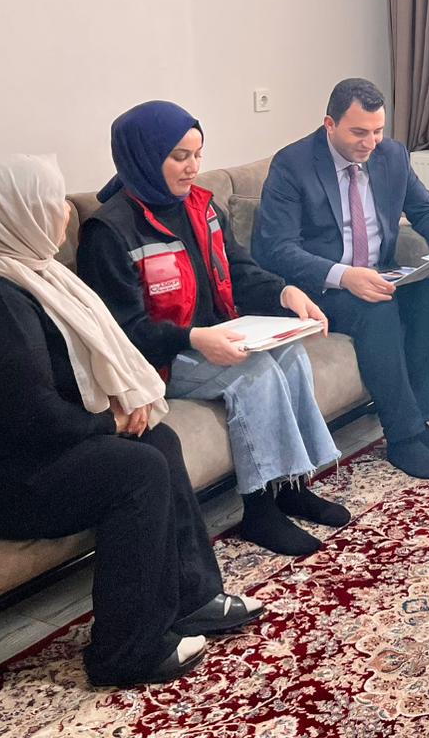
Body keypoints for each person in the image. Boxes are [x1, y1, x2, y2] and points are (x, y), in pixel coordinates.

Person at [0, 156, 264, 689]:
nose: (66, 211)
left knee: (158, 438)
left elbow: (58, 375)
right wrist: (111, 421)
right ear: (8, 215)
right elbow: (34, 417)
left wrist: (122, 404)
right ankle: (127, 651)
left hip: (15, 448)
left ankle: (192, 596)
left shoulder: (21, 270)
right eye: (50, 202)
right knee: (135, 470)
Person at [77, 101, 349, 557]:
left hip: (214, 337)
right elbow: (122, 331)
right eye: (180, 156)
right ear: (144, 157)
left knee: (290, 354)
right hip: (159, 359)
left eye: (198, 154)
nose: (193, 167)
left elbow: (239, 270)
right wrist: (193, 338)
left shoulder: (201, 206)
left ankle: (292, 486)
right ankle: (260, 510)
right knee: (255, 375)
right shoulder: (109, 231)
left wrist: (285, 293)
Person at [253, 78, 429, 481]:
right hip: (319, 287)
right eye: (359, 132)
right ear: (330, 124)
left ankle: (419, 421)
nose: (371, 142)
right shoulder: (293, 164)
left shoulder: (392, 155)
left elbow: (426, 209)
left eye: (377, 130)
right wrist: (345, 276)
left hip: (380, 272)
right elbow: (277, 249)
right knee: (376, 310)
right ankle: (403, 438)